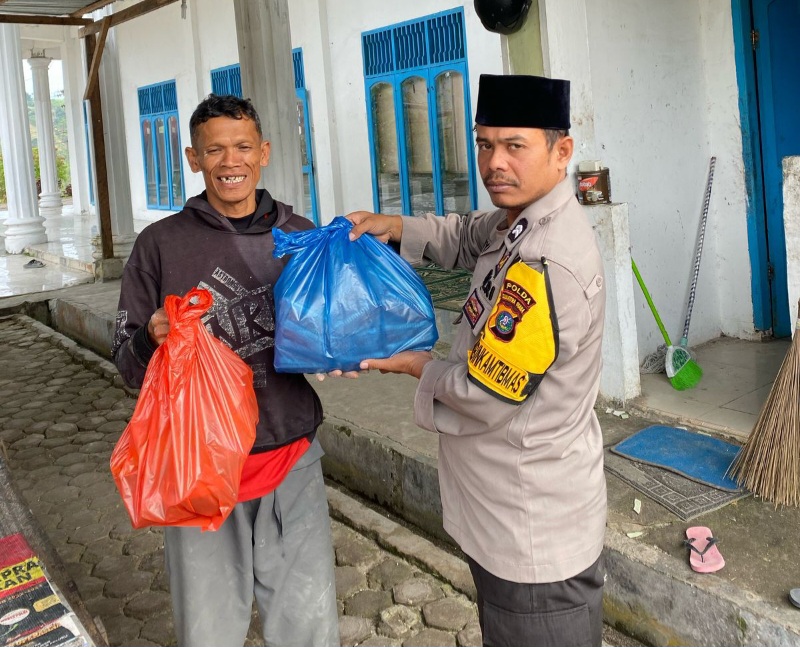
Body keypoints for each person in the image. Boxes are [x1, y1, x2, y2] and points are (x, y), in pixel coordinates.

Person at [346, 74, 607, 647]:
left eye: (515, 146)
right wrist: (394, 226)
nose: (494, 162)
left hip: (529, 533)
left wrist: (419, 366)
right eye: (484, 143)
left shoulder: (546, 263)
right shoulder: (518, 218)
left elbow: (484, 395)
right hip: (502, 513)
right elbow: (468, 236)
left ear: (561, 152)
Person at [112, 94, 339, 647]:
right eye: (214, 149)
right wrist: (150, 336)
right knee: (208, 631)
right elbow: (124, 362)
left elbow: (327, 332)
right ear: (194, 158)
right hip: (197, 467)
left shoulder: (301, 234)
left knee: (309, 626)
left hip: (290, 457)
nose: (229, 160)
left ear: (263, 153)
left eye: (241, 147)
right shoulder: (160, 245)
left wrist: (339, 347)